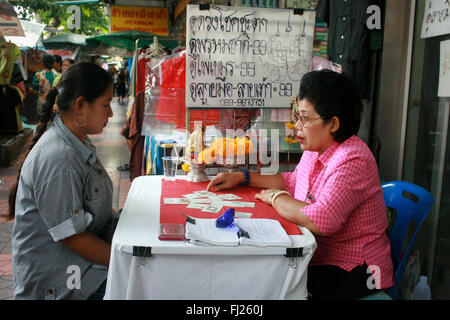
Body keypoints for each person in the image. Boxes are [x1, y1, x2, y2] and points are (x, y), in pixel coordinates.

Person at [206, 70, 394, 300]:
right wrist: (243, 177)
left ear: (333, 123)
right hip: (322, 256)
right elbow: (292, 182)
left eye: (305, 118)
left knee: (270, 284)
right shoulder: (317, 148)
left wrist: (276, 198)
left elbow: (320, 220)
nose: (296, 126)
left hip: (357, 268)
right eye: (297, 116)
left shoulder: (353, 158)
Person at [8, 62, 117, 300]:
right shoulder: (60, 158)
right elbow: (72, 236)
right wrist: (124, 259)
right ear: (81, 105)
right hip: (59, 284)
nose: (111, 113)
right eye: (106, 104)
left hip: (78, 267)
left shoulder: (77, 143)